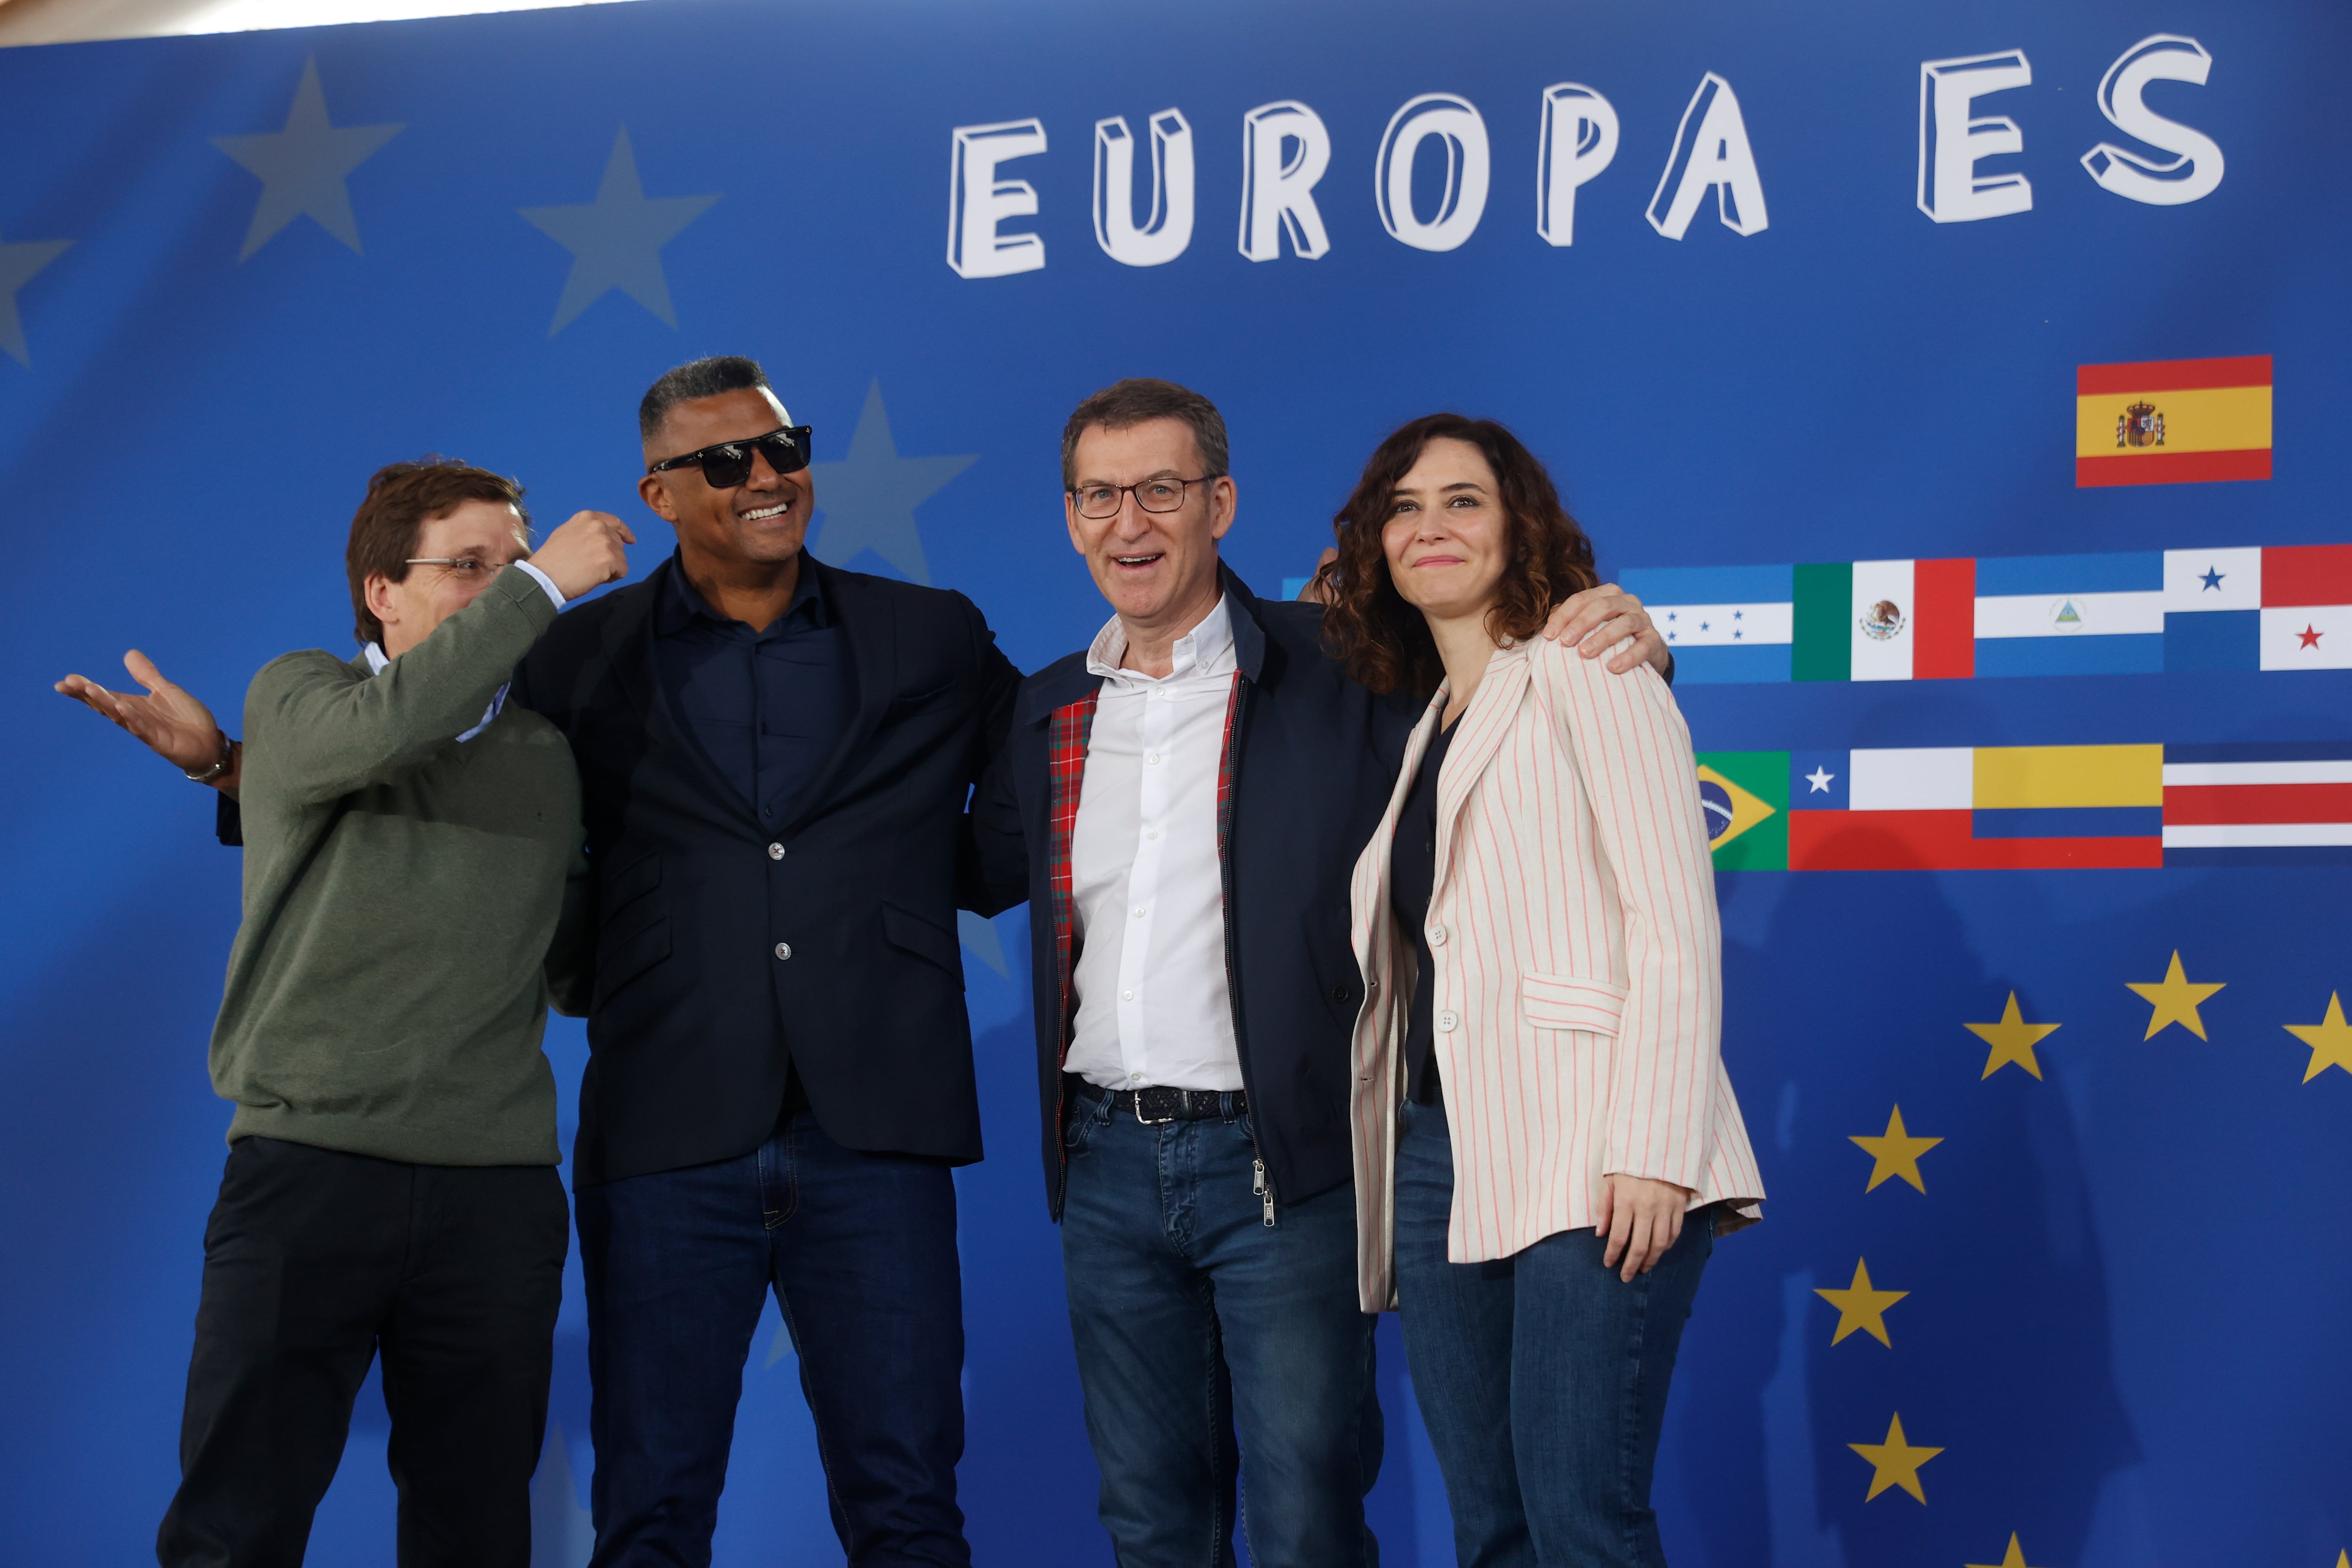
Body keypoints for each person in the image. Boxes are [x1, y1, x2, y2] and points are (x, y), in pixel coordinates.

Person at [70, 357, 1022, 1568]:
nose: (767, 476)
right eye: (724, 461)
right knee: (586, 1513)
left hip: (673, 1161)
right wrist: (240, 770)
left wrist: (883, 887)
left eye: (784, 448)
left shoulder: (891, 639)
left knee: (857, 1505)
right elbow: (392, 741)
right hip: (488, 1153)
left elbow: (1035, 777)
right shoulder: (444, 675)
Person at [967, 381, 1673, 1568]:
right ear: (1071, 514)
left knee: (1305, 1517)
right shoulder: (1050, 707)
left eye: (1160, 490)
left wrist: (1626, 642)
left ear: (1219, 503)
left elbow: (1511, 702)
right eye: (1097, 495)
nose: (1127, 522)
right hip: (1104, 1171)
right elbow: (965, 868)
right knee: (1147, 1517)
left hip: (1284, 1166)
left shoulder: (1341, 665)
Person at [59, 459, 632, 1567]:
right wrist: (548, 587)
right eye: (468, 566)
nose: (502, 586)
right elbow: (374, 740)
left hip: (497, 1197)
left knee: (477, 1533)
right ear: (382, 591)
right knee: (236, 1527)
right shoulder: (297, 693)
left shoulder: (546, 759)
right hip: (307, 1174)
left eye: (511, 566)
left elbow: (572, 968)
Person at [1320, 414, 1765, 1568]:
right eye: (1404, 506)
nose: (1431, 527)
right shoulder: (1424, 722)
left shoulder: (1588, 665)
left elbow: (1672, 919)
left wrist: (1655, 1147)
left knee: (1581, 1520)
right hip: (1437, 1160)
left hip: (1596, 1148)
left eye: (1463, 500)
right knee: (1495, 1527)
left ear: (1520, 526)